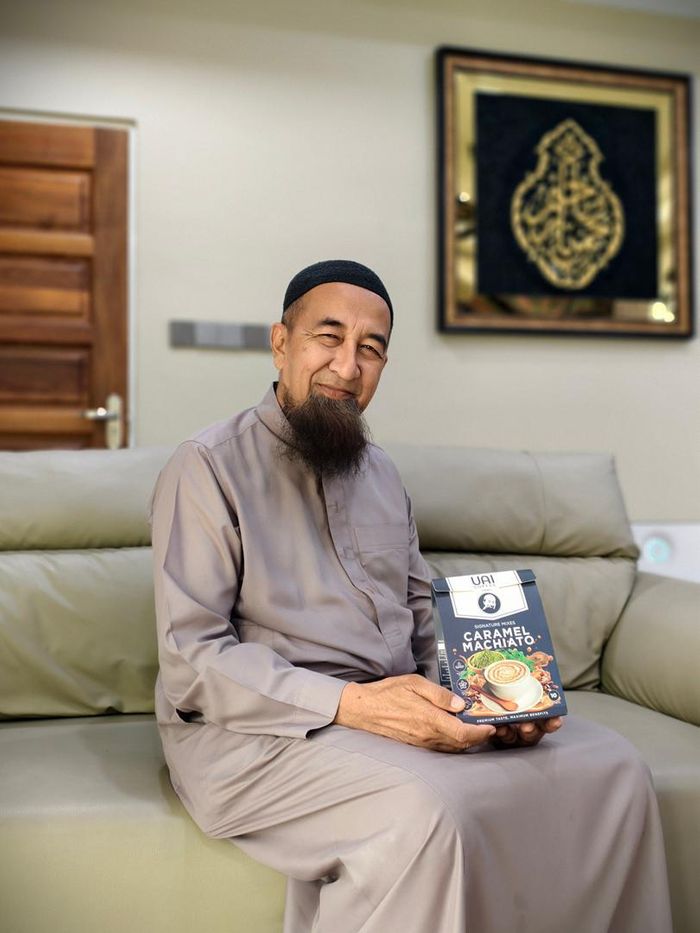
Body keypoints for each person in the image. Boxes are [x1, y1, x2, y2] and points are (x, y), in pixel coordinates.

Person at [150, 259, 671, 933]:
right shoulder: (206, 466)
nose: (347, 365)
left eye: (370, 349)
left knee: (615, 770)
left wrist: (490, 702)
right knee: (427, 811)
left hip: (390, 713)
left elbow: (424, 619)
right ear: (281, 343)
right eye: (328, 337)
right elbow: (191, 659)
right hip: (253, 734)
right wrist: (357, 705)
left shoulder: (382, 474)